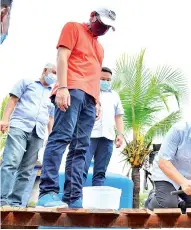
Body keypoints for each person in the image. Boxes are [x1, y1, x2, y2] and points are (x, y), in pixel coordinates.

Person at [37, 8, 116, 209]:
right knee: (61, 138)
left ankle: (73, 197)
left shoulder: (100, 48)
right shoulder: (73, 27)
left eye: (107, 27)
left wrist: (97, 101)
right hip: (70, 89)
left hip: (89, 98)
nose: (103, 29)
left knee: (81, 147)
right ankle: (47, 192)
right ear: (92, 17)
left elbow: (95, 75)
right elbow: (62, 57)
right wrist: (62, 87)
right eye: (102, 24)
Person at [0, 63, 56, 207]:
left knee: (27, 169)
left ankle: (15, 202)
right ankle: (2, 200)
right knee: (11, 162)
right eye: (53, 72)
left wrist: (51, 135)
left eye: (57, 74)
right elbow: (13, 100)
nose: (54, 76)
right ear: (44, 71)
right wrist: (5, 119)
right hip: (20, 127)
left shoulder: (53, 93)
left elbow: (50, 117)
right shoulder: (27, 82)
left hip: (38, 132)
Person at [82, 67, 124, 186]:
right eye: (102, 79)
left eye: (108, 80)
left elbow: (119, 116)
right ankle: (76, 199)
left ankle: (97, 202)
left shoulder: (114, 95)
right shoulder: (88, 92)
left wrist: (120, 134)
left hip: (107, 138)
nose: (105, 82)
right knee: (81, 169)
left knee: (100, 173)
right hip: (89, 136)